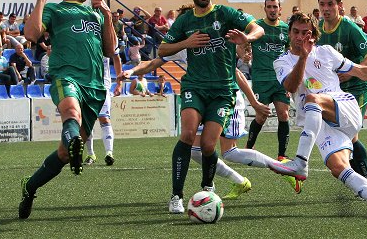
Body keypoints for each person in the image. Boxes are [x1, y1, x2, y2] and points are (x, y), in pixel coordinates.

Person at [268, 12, 367, 217]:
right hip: (321, 124)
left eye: (305, 33)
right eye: (295, 32)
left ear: (314, 35)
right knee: (337, 167)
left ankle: (300, 163)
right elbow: (291, 85)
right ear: (289, 33)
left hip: (343, 107)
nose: (299, 37)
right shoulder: (282, 61)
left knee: (313, 99)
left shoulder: (326, 52)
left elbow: (362, 71)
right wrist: (303, 58)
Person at [118, 55, 302, 200]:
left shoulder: (215, 43)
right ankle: (236, 181)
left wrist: (253, 102)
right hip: (202, 98)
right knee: (195, 150)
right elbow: (154, 61)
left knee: (229, 152)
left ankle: (283, 168)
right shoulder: (186, 45)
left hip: (226, 98)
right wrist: (131, 70)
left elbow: (236, 72)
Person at [157, 0, 264, 214]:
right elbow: (163, 50)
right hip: (194, 87)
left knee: (207, 145)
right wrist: (186, 43)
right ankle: (176, 196)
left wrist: (245, 38)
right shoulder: (185, 21)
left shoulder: (225, 13)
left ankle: (207, 186)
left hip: (222, 91)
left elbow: (259, 29)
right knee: (187, 134)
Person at [18, 0, 117, 219]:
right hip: (67, 75)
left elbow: (110, 50)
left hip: (95, 86)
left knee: (63, 154)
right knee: (70, 112)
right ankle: (74, 141)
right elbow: (31, 33)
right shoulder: (56, 10)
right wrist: (41, 0)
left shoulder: (96, 14)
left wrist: (107, 16)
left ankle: (30, 186)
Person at [314, 0, 367, 187]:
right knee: (341, 135)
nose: (326, 9)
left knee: (350, 136)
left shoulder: (350, 28)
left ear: (339, 6)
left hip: (357, 88)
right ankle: (363, 169)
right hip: (334, 92)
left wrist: (350, 72)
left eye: (330, 4)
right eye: (322, 4)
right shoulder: (317, 29)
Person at [245, 0, 291, 160]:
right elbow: (241, 44)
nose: (272, 10)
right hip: (261, 78)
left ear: (280, 9)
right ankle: (249, 148)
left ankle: (282, 155)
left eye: (275, 7)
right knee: (261, 116)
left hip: (281, 80)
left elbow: (291, 53)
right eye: (269, 7)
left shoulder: (286, 29)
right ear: (265, 9)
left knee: (284, 115)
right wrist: (244, 54)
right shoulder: (256, 26)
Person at [84, 54, 121, 166]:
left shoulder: (107, 40)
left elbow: (116, 58)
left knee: (104, 119)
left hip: (103, 87)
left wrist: (119, 83)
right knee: (87, 122)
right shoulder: (83, 37)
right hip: (85, 86)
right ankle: (91, 154)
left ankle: (109, 153)